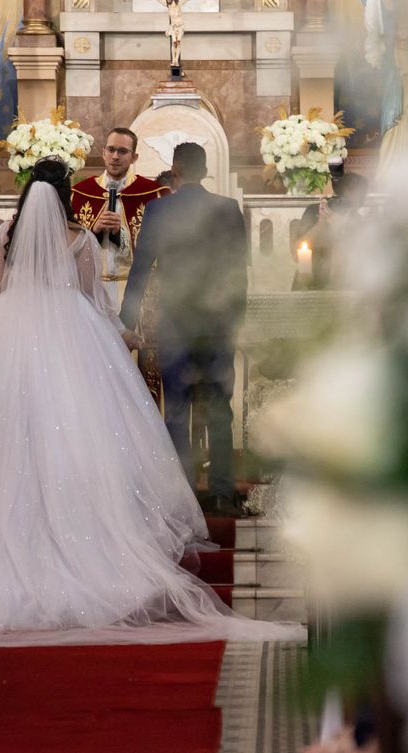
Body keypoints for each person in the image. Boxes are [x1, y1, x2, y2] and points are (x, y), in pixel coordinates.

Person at [0, 157, 301, 645]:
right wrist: (122, 332)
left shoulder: (5, 235)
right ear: (65, 194)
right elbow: (92, 298)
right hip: (70, 337)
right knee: (78, 433)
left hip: (10, 336)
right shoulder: (78, 238)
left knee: (8, 435)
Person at [121, 143, 247, 517]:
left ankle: (185, 497)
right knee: (220, 409)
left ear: (175, 170)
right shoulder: (227, 209)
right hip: (218, 323)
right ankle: (223, 492)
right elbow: (239, 271)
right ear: (205, 170)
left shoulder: (159, 209)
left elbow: (142, 267)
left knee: (177, 408)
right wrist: (237, 321)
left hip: (176, 323)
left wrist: (125, 321)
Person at [71, 128, 169, 312]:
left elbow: (164, 249)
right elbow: (68, 249)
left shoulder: (154, 194)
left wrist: (121, 233)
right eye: (111, 149)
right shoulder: (80, 193)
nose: (115, 156)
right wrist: (94, 231)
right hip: (92, 290)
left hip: (136, 294)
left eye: (123, 151)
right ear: (103, 153)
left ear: (134, 157)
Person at [291, 172, 369, 289]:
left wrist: (341, 228)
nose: (345, 207)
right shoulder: (315, 211)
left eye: (353, 203)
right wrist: (320, 224)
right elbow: (296, 255)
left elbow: (358, 262)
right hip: (310, 284)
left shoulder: (359, 223)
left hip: (344, 289)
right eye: (344, 200)